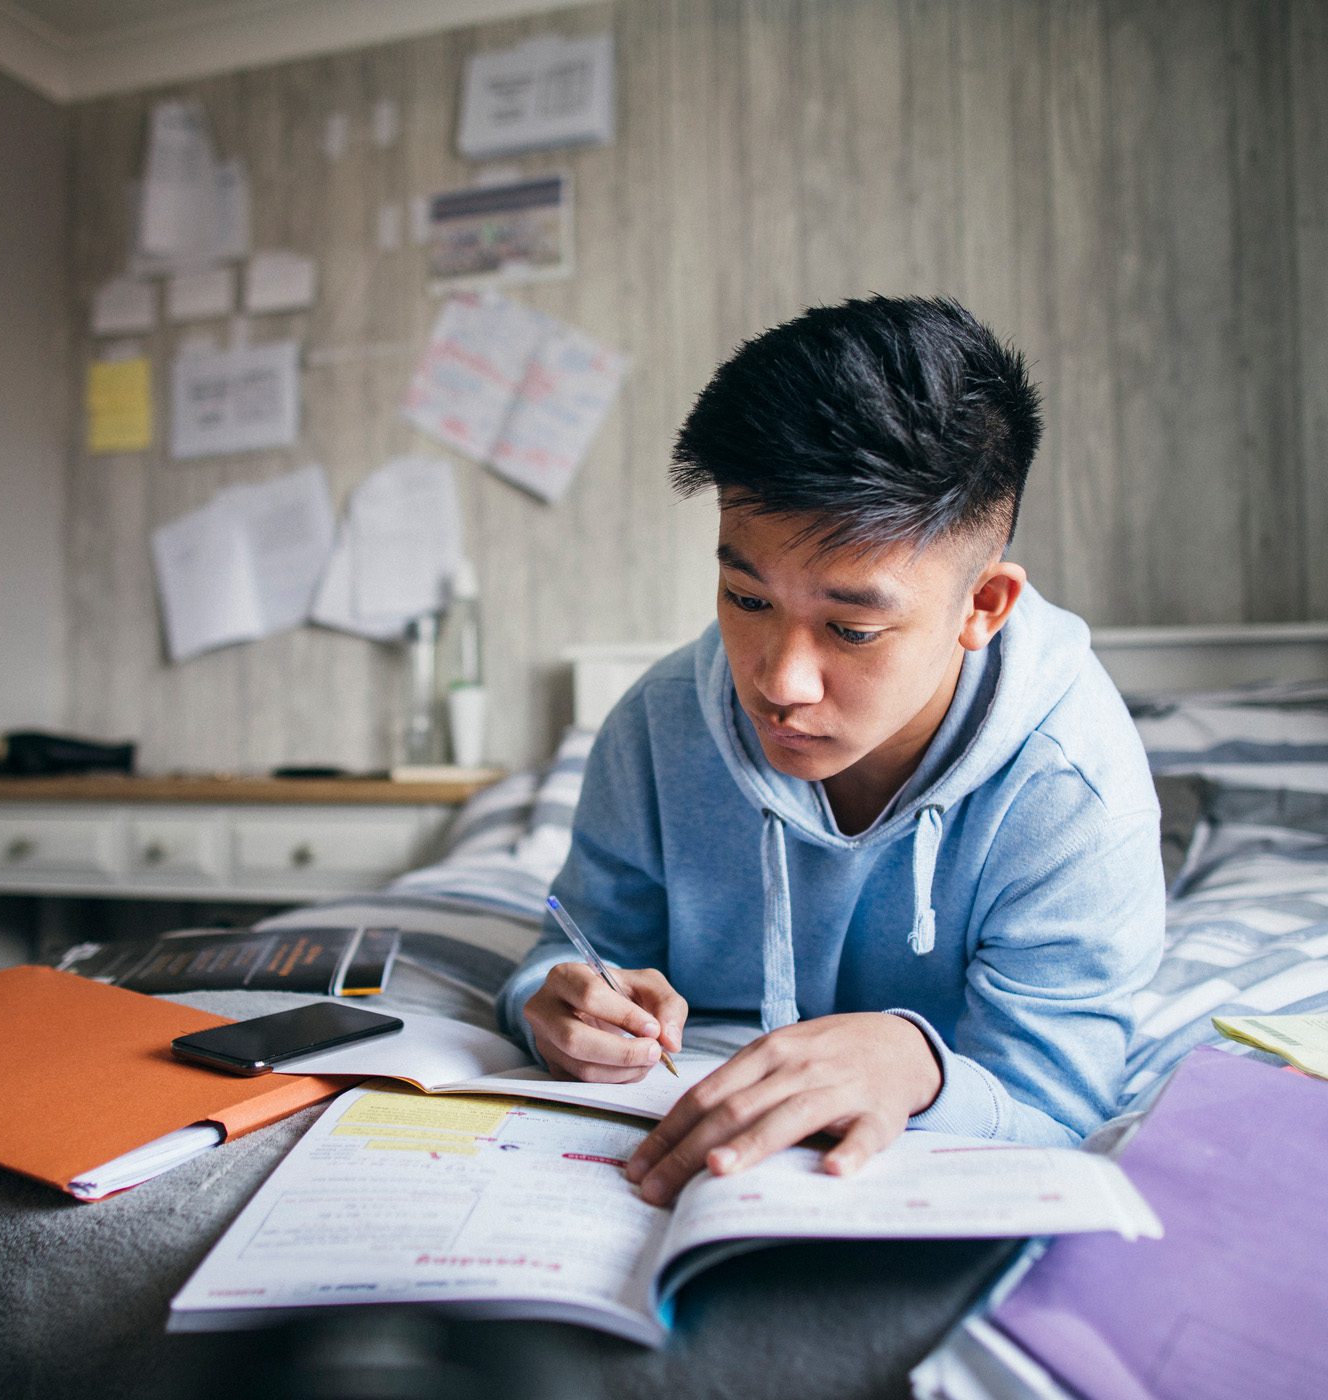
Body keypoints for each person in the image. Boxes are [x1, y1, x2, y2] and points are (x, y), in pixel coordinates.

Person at [496, 295, 1165, 1206]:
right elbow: (568, 955)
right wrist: (554, 1008)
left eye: (851, 630)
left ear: (984, 608)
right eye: (748, 600)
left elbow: (1061, 1104)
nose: (780, 681)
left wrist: (919, 1066)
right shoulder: (655, 728)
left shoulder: (1072, 789)